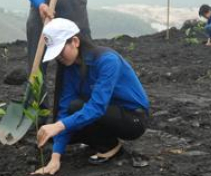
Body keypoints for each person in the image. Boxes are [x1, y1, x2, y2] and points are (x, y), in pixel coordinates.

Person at [32, 18, 150, 175]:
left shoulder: (107, 61)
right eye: (55, 54)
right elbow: (64, 109)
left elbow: (97, 107)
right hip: (105, 114)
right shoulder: (70, 68)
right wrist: (55, 158)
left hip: (132, 120)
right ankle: (106, 141)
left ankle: (109, 145)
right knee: (67, 122)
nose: (58, 57)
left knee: (74, 112)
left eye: (60, 51)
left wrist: (59, 126)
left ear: (75, 41)